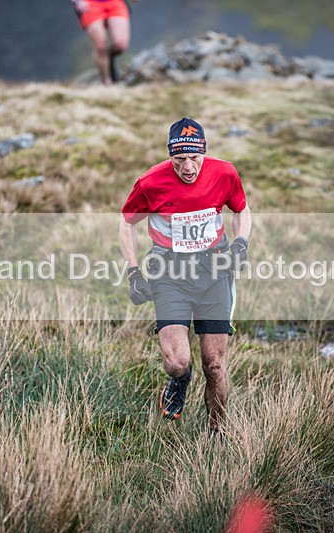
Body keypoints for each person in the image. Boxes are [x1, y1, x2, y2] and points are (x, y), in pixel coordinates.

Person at [119, 118, 252, 436]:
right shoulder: (151, 182)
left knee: (214, 364)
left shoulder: (224, 173)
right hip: (170, 274)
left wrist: (240, 243)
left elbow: (241, 210)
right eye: (180, 160)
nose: (188, 167)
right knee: (179, 361)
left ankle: (216, 435)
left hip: (215, 272)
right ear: (170, 157)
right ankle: (179, 380)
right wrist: (134, 272)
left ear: (204, 153)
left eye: (195, 158)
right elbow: (127, 222)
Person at [71, 0, 136, 85]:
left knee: (120, 45)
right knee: (100, 47)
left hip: (114, 2)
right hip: (90, 4)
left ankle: (108, 59)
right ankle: (107, 82)